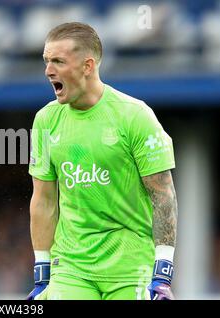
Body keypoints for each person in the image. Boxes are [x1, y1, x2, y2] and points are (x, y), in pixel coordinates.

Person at [27, 22, 178, 300]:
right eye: (46, 61)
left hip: (130, 266)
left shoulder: (134, 116)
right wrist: (42, 270)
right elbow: (44, 200)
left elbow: (163, 195)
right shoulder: (46, 120)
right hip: (72, 267)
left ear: (88, 66)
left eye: (58, 62)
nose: (49, 71)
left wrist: (163, 269)